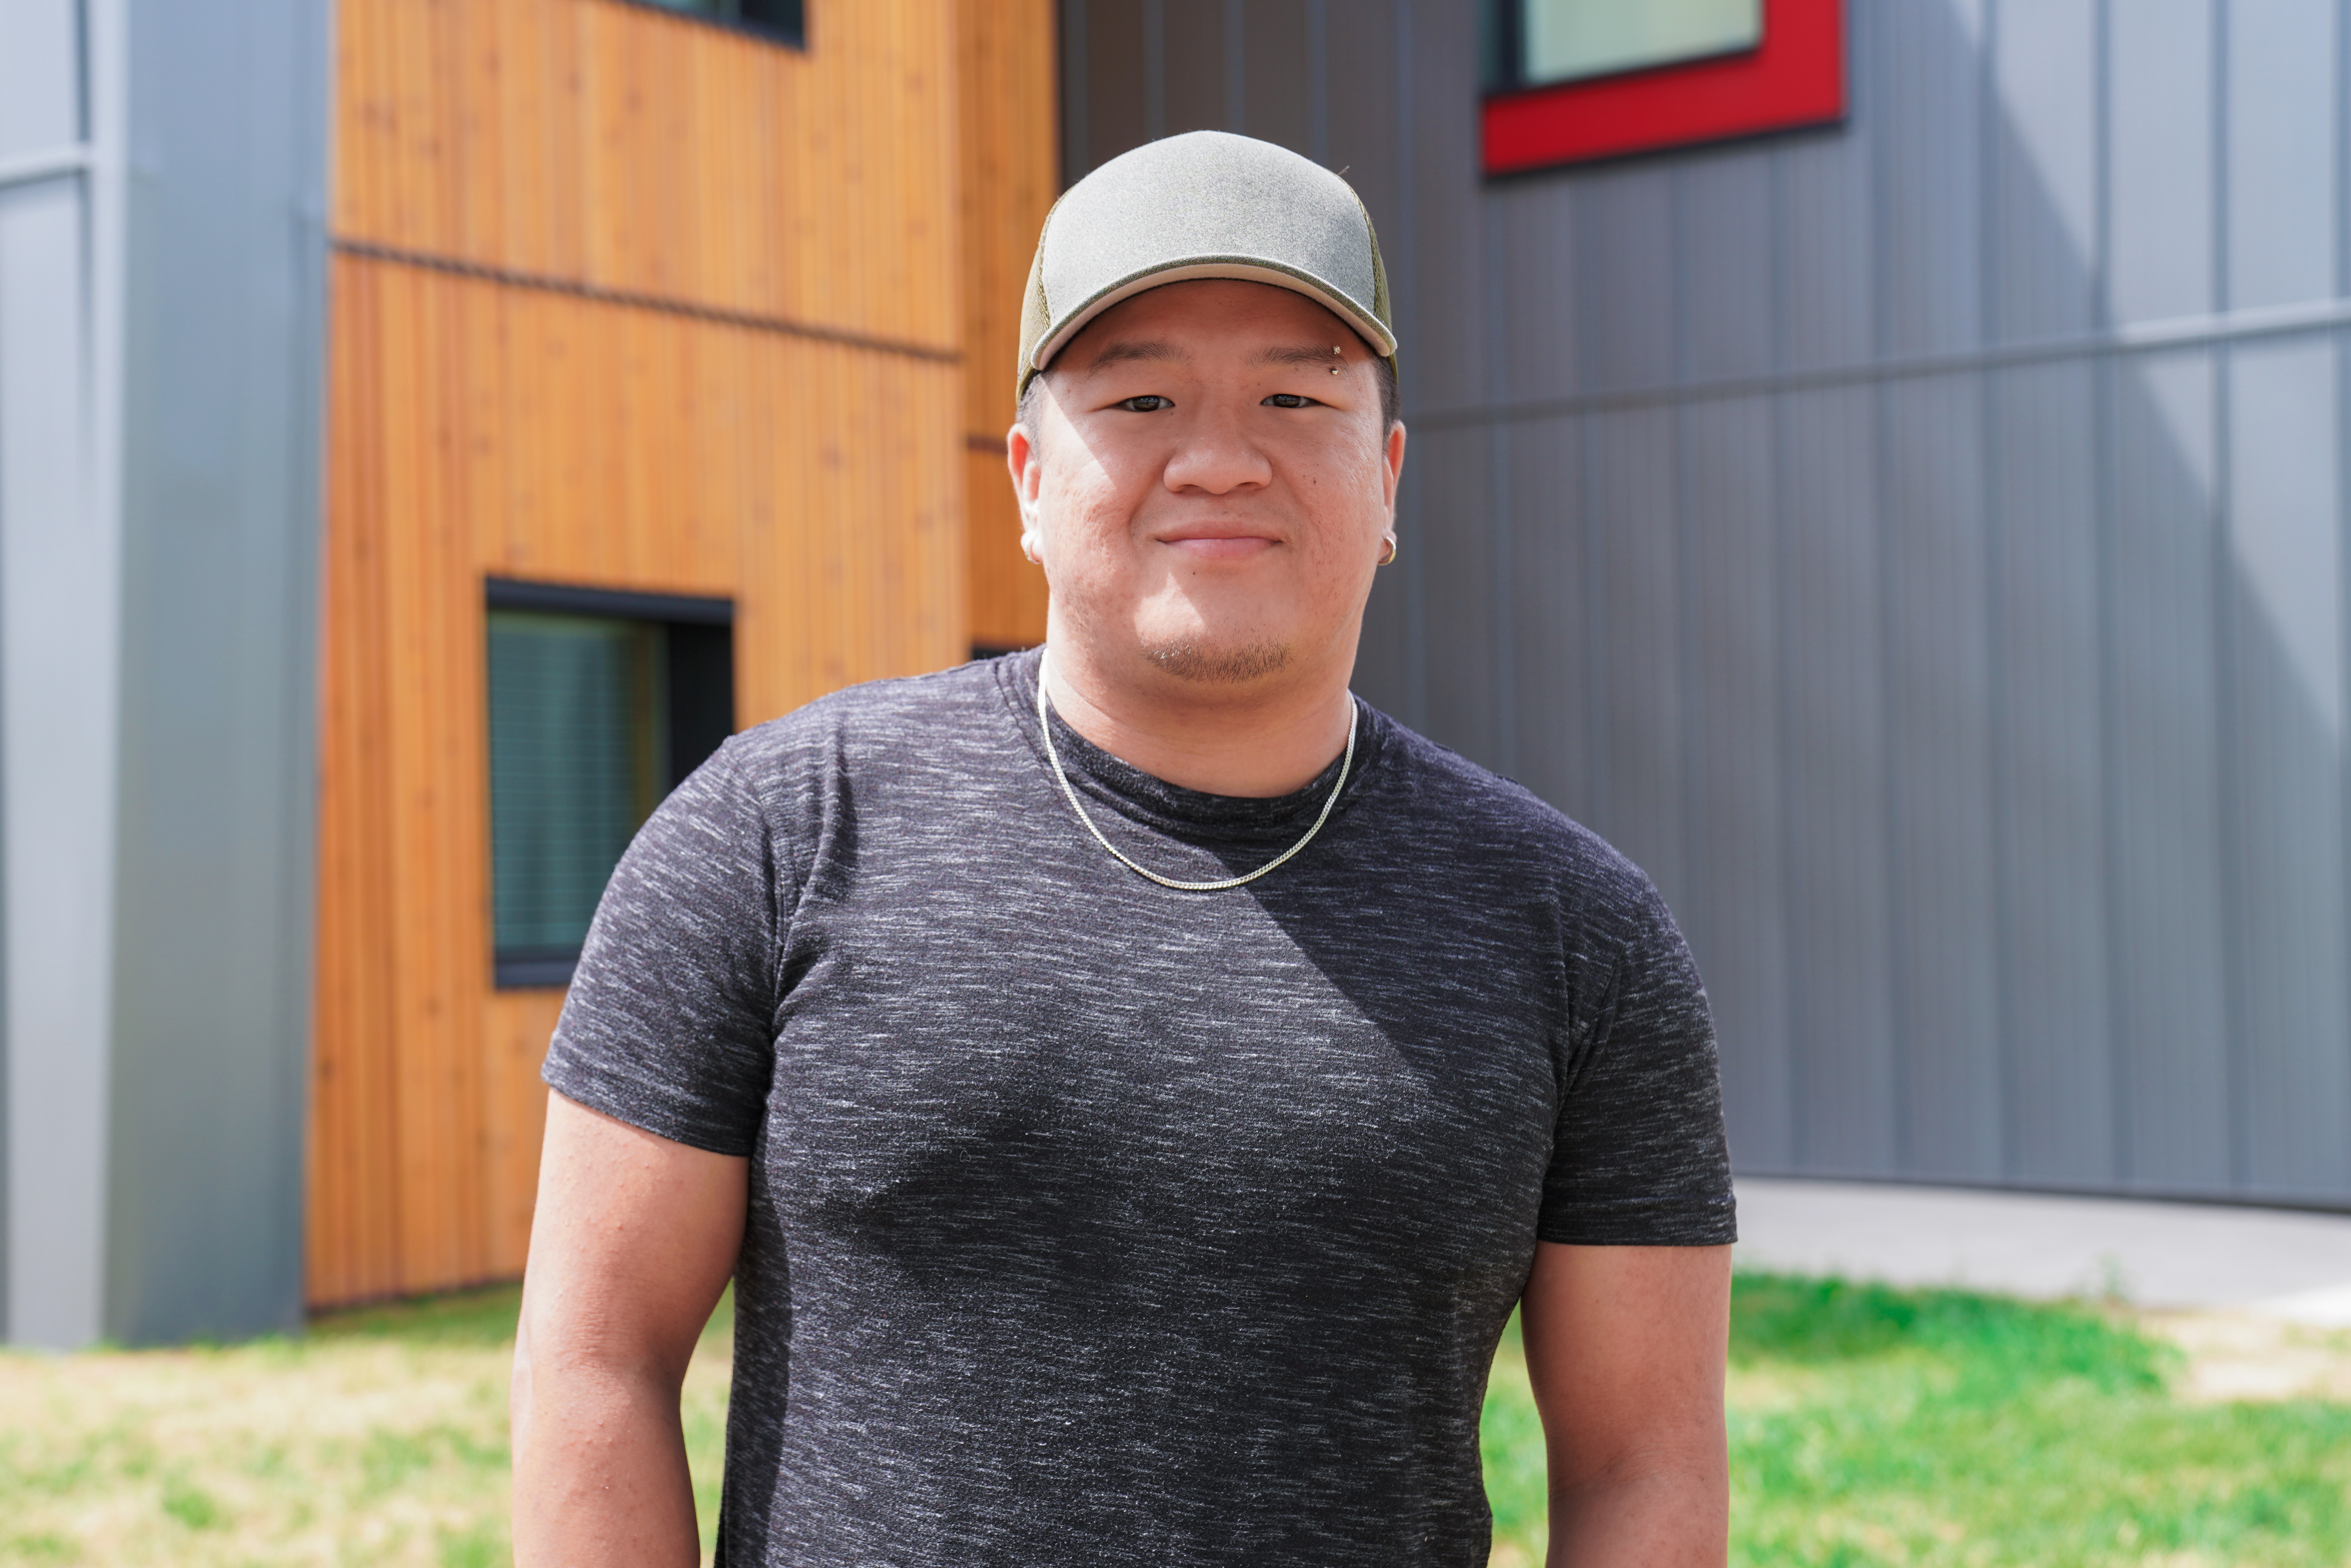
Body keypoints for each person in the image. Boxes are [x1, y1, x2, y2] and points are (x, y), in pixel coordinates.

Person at [511, 129, 1735, 1567]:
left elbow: (1640, 1463)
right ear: (1028, 474)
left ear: (1388, 474)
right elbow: (595, 1360)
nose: (1218, 459)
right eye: (1142, 395)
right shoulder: (772, 836)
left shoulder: (1575, 931)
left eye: (1294, 392)